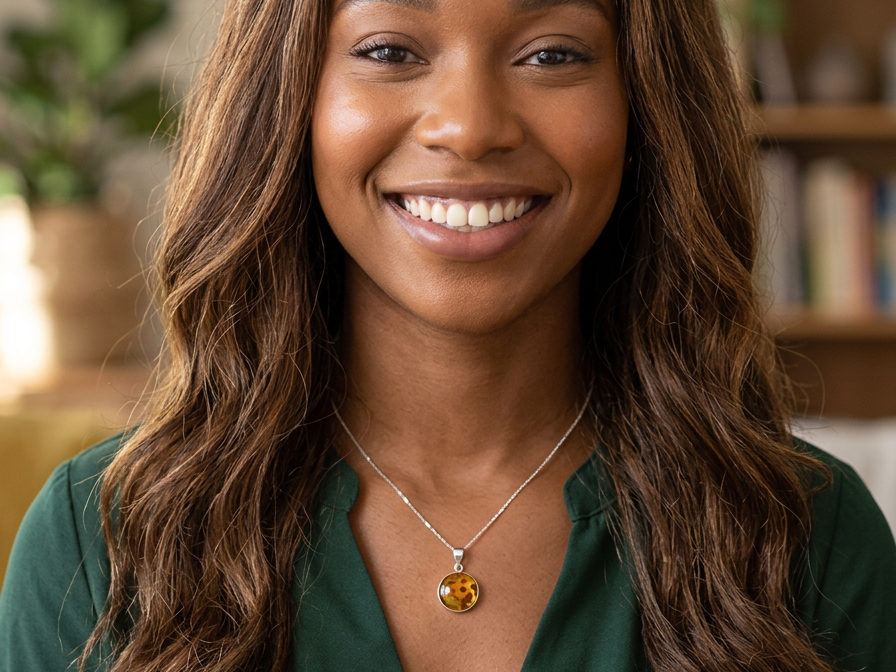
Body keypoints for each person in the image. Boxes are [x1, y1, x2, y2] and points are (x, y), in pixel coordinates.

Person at [2, 0, 895, 669]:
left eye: (553, 53)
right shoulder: (103, 543)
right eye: (389, 49)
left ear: (646, 106)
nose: (469, 127)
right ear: (289, 102)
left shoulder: (807, 539)